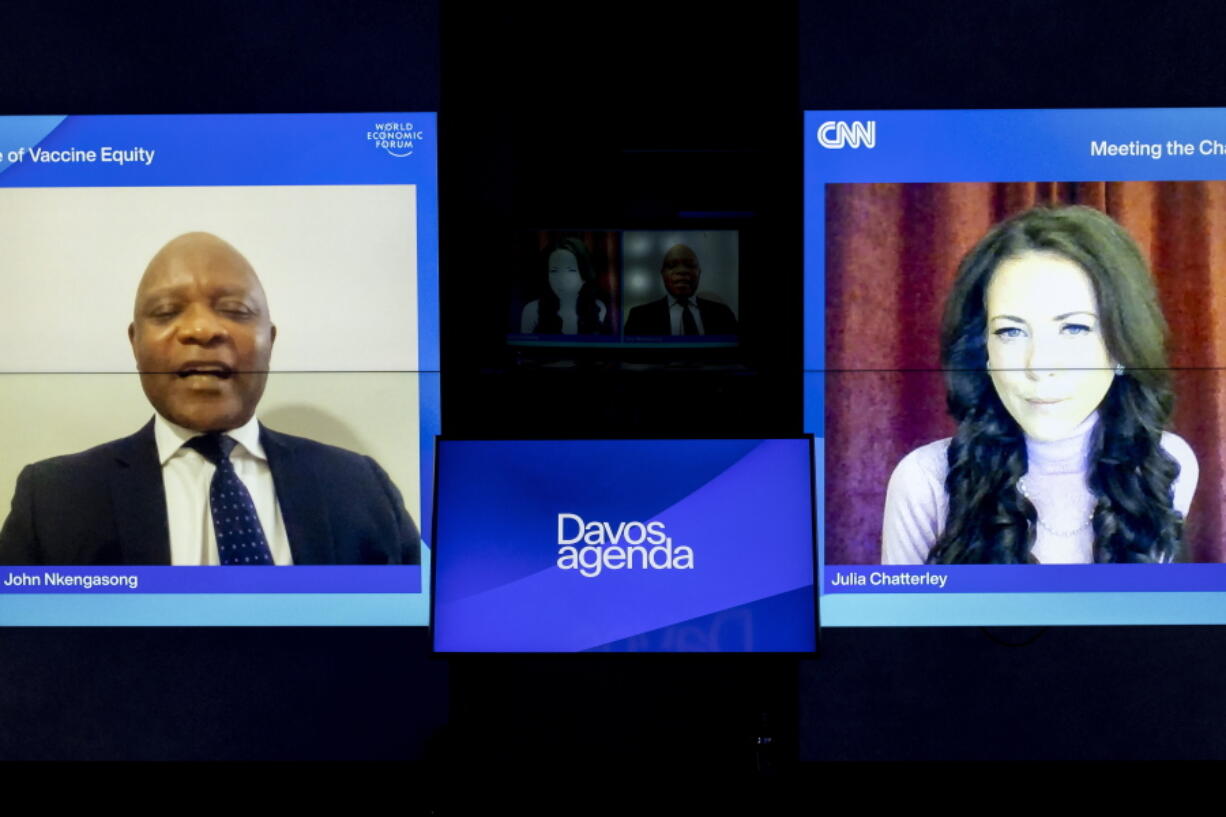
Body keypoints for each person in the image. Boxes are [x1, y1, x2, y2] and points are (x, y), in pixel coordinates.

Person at [0, 232, 420, 566]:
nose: (201, 330)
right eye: (166, 312)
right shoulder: (54, 502)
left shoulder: (362, 489)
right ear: (135, 344)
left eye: (235, 310)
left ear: (269, 341)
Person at [882, 206, 1198, 565]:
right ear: (983, 350)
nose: (1038, 366)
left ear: (1122, 347)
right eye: (1010, 331)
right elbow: (901, 623)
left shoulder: (1167, 464)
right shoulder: (924, 481)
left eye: (1074, 328)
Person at [623, 244, 738, 336]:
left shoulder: (722, 314)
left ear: (699, 272)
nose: (682, 271)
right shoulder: (639, 317)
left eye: (690, 265)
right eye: (672, 265)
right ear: (662, 274)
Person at [520, 237, 610, 334]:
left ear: (584, 275)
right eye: (554, 271)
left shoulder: (598, 308)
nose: (562, 279)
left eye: (571, 270)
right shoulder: (532, 310)